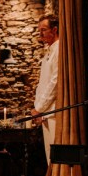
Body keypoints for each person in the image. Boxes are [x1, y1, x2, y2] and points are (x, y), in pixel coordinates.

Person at [31, 14, 59, 165]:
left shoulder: (59, 48)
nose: (40, 33)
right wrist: (37, 107)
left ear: (54, 30)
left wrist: (40, 107)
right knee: (49, 154)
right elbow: (43, 83)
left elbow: (55, 81)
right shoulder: (49, 50)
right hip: (46, 111)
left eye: (44, 29)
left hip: (54, 110)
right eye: (39, 30)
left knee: (54, 154)